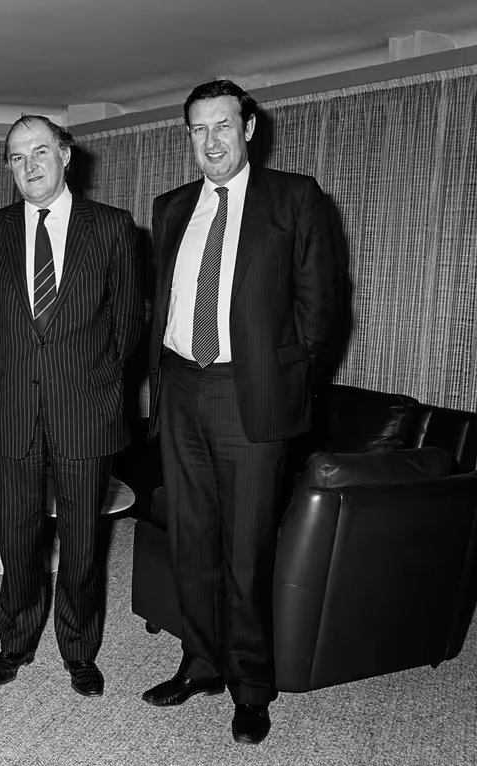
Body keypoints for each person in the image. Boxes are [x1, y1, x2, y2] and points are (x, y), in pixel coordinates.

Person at [142, 80, 341, 744]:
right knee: (191, 539)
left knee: (246, 549)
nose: (212, 141)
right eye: (199, 130)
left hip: (246, 393)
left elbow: (322, 312)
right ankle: (200, 662)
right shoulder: (170, 207)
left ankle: (251, 685)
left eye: (223, 125)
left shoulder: (295, 199)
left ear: (249, 127)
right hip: (180, 385)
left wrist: (281, 382)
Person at [0, 116, 142, 698]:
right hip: (15, 408)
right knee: (17, 536)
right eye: (16, 158)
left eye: (40, 151)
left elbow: (126, 325)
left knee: (83, 540)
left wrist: (87, 379)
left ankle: (79, 651)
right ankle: (14, 643)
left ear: (67, 155)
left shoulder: (114, 228)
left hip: (84, 409)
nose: (29, 166)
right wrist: (24, 374)